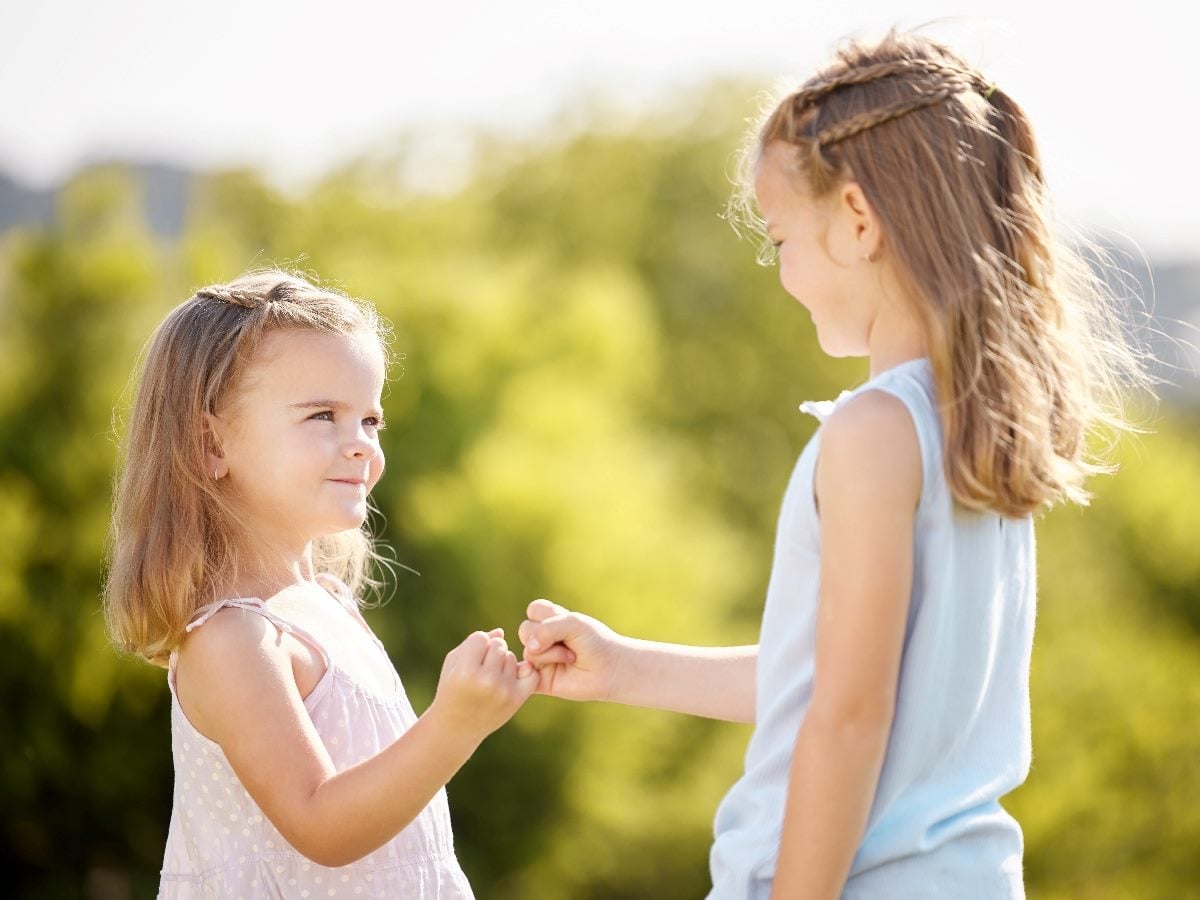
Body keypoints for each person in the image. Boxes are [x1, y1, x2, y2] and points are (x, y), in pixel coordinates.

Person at [518, 30, 1148, 899]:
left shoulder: (873, 433)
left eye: (780, 241)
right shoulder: (982, 429)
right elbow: (840, 675)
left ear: (856, 221)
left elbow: (849, 719)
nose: (782, 274)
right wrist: (625, 667)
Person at [104, 270, 538, 898]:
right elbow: (321, 824)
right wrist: (455, 723)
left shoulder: (328, 605)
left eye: (371, 420)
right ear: (209, 445)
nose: (361, 444)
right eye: (323, 415)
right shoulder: (233, 638)